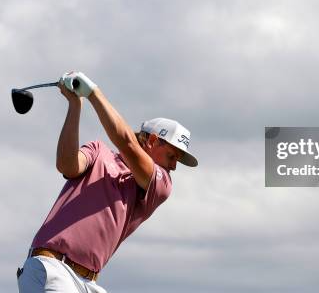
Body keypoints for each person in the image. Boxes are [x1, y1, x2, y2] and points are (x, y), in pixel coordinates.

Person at [17, 71, 198, 292]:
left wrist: (93, 92)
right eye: (172, 156)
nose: (174, 166)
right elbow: (67, 166)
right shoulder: (98, 151)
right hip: (53, 267)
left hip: (90, 283)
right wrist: (75, 106)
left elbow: (127, 143)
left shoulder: (161, 185)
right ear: (151, 140)